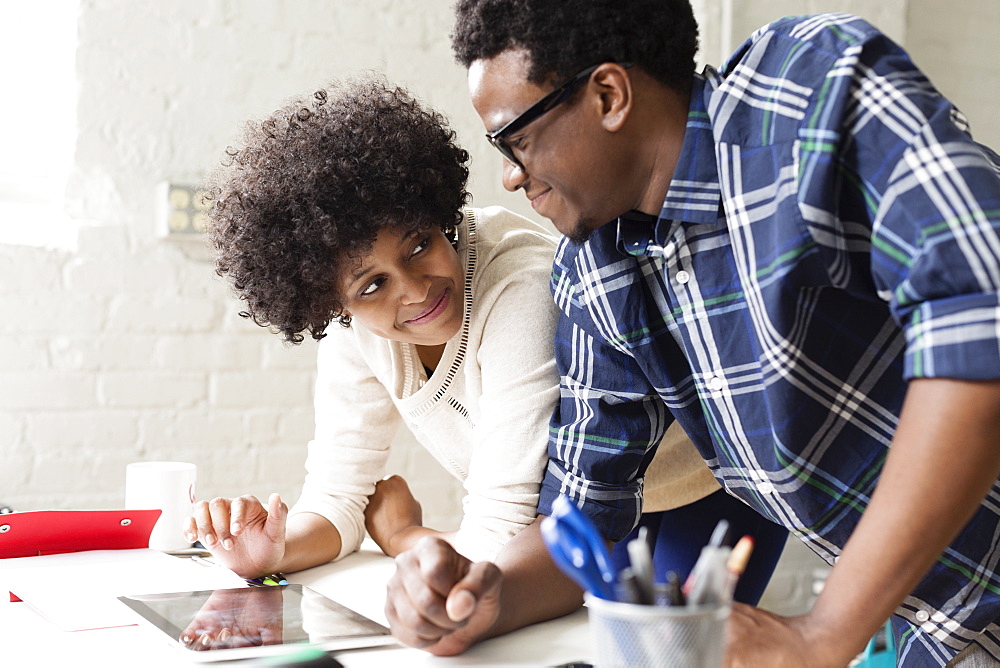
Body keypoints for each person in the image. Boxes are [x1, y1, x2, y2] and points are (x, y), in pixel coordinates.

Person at [381, 2, 1000, 666]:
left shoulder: (811, 87)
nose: (509, 173)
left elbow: (980, 321)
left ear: (608, 95)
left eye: (515, 139)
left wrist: (822, 632)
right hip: (941, 622)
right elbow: (584, 519)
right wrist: (480, 595)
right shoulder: (596, 268)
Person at [185, 75, 782, 604]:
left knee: (675, 651)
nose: (414, 291)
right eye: (371, 285)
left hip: (704, 493)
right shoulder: (355, 334)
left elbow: (497, 537)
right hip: (578, 512)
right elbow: (338, 498)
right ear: (328, 300)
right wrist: (272, 552)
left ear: (439, 212)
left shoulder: (519, 289)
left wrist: (404, 537)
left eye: (419, 244)